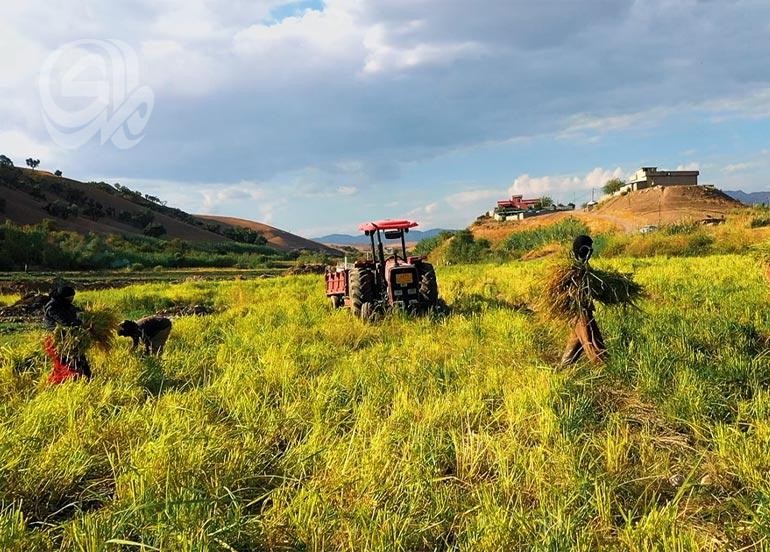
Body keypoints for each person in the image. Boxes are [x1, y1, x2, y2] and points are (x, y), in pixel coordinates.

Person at [561, 235, 608, 365]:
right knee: (591, 340)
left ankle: (563, 367)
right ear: (583, 250)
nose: (591, 252)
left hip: (581, 312)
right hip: (580, 312)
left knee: (576, 341)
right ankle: (603, 366)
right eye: (589, 249)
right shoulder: (575, 269)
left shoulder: (583, 266)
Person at [42, 285, 92, 383]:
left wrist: (86, 314)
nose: (71, 300)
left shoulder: (65, 304)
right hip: (56, 341)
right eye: (69, 298)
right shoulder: (52, 307)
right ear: (62, 297)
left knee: (80, 361)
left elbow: (74, 311)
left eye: (72, 298)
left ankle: (85, 380)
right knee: (65, 364)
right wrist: (81, 324)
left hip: (70, 339)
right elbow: (65, 322)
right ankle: (61, 385)